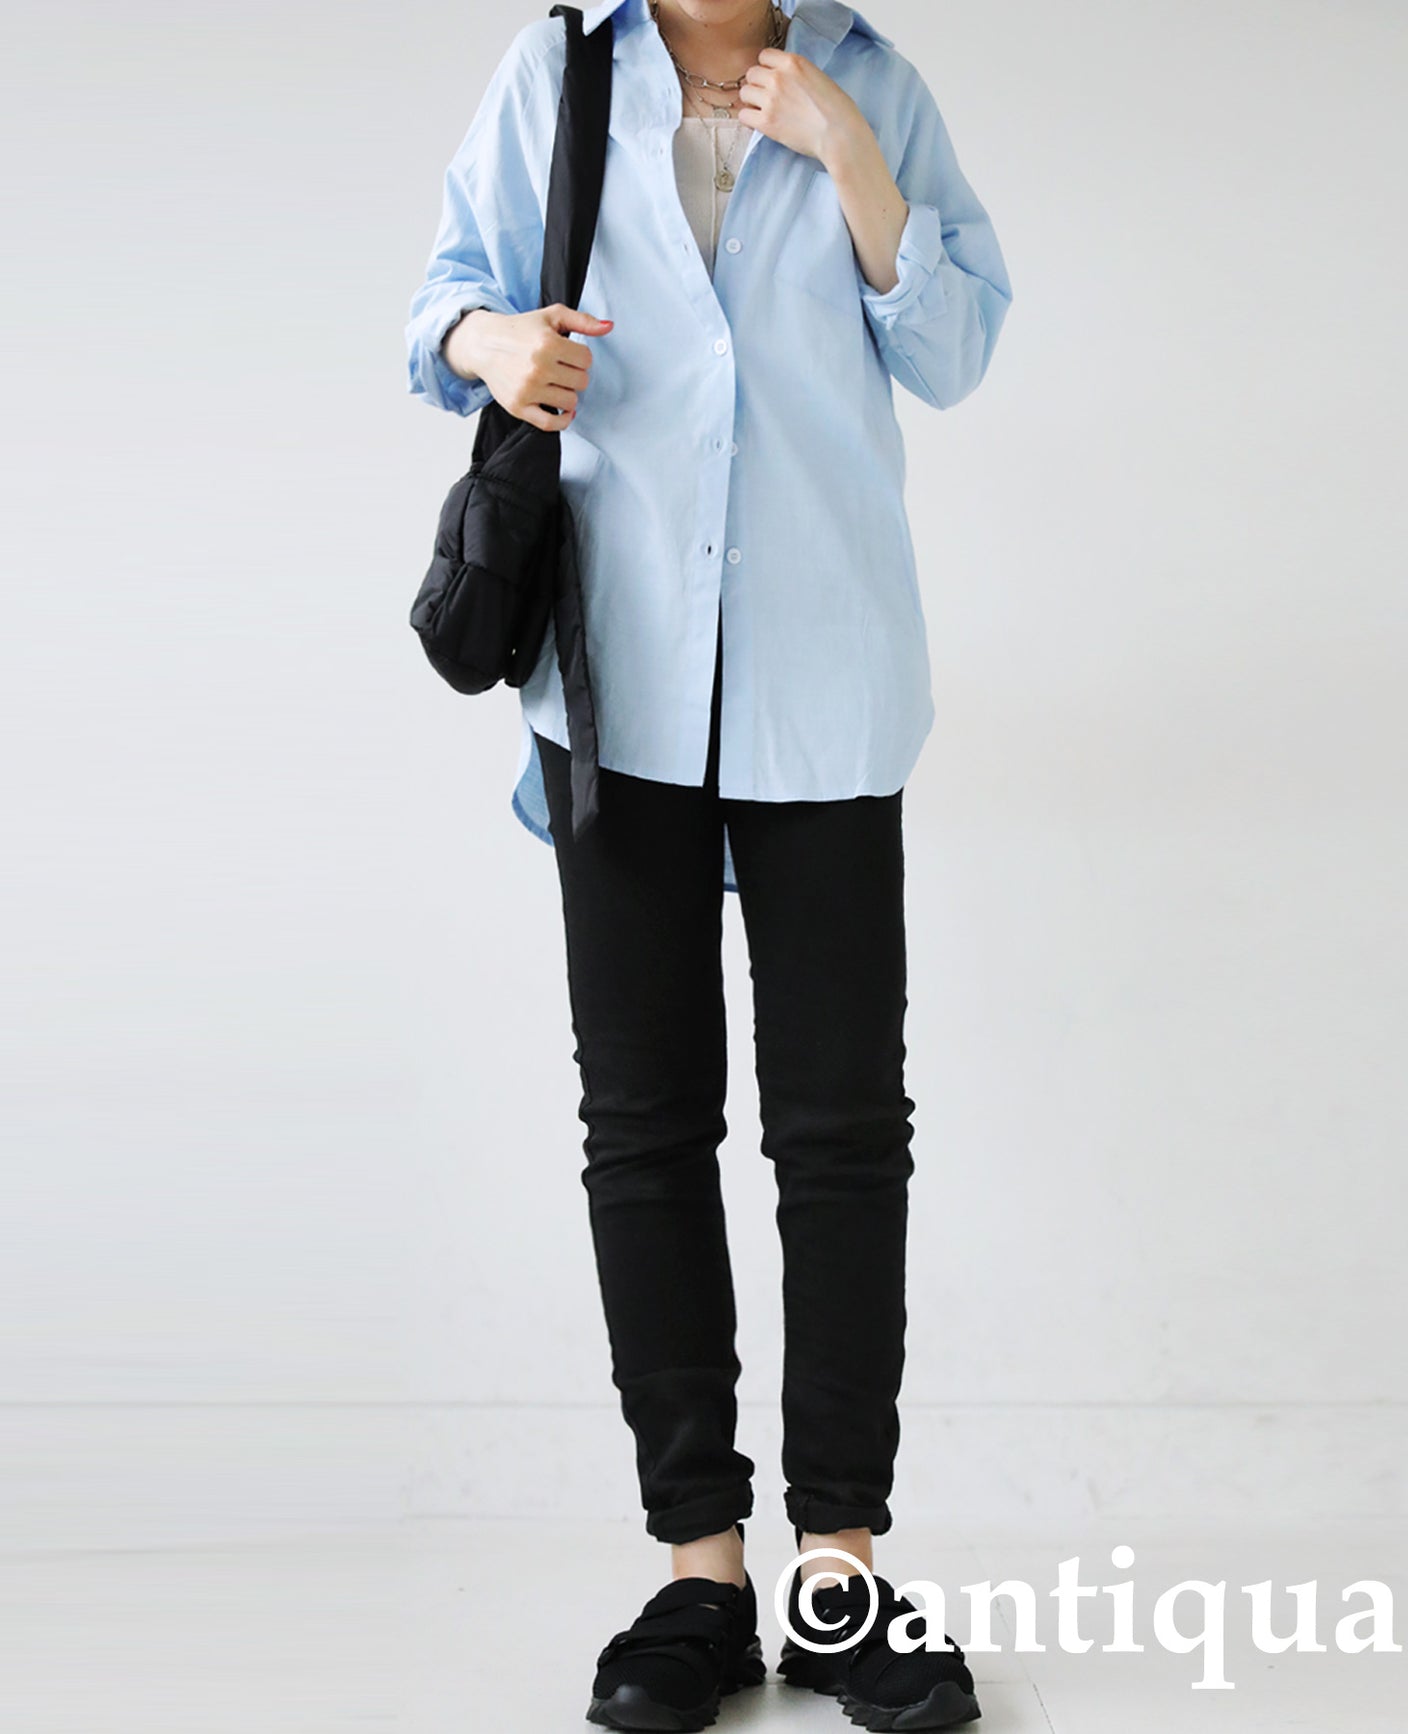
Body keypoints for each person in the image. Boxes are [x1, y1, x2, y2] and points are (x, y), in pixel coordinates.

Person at [404, 1, 1012, 1727]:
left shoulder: (871, 80)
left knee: (842, 1131)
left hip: (827, 675)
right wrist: (491, 343)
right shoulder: (559, 71)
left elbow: (955, 350)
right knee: (644, 1120)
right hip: (618, 678)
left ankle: (838, 1571)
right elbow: (433, 304)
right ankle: (699, 1570)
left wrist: (854, 160)